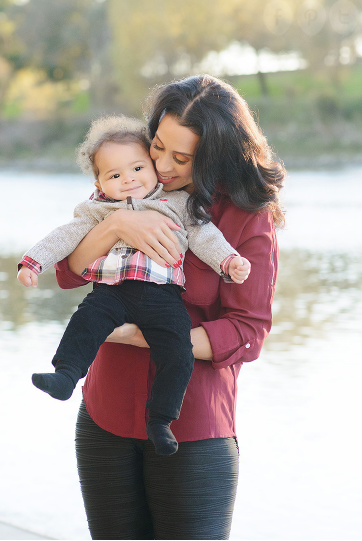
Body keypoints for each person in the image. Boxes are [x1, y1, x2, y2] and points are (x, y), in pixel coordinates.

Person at [55, 74, 285, 539]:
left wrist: (142, 336)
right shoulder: (126, 184)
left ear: (215, 157)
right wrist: (116, 225)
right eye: (157, 145)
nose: (160, 164)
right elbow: (67, 273)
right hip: (105, 417)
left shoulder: (244, 216)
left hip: (194, 429)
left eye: (180, 158)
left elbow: (248, 330)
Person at [17, 115, 251, 456]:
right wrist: (33, 261)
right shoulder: (96, 210)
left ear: (153, 168)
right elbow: (64, 236)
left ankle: (161, 420)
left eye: (138, 168)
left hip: (164, 297)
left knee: (177, 352)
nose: (128, 180)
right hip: (112, 292)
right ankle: (66, 376)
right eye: (114, 175)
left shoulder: (178, 203)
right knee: (86, 321)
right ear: (99, 181)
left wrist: (228, 261)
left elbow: (204, 235)